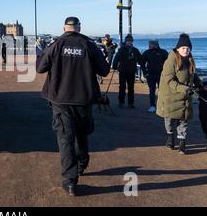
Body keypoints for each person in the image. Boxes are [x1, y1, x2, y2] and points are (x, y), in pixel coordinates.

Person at [37, 17, 110, 196]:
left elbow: (40, 68)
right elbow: (104, 71)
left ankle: (70, 182)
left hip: (60, 100)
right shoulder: (89, 45)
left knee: (65, 139)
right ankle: (82, 163)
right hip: (84, 99)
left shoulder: (55, 45)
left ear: (64, 28)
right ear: (79, 28)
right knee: (81, 133)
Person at [157, 34, 203, 154]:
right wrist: (184, 88)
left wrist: (199, 84)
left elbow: (193, 74)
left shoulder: (190, 60)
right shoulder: (171, 60)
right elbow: (169, 80)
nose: (186, 50)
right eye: (183, 48)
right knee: (170, 120)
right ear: (178, 48)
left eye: (188, 48)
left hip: (184, 97)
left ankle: (182, 143)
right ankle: (170, 137)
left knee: (184, 120)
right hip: (170, 96)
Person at [112, 34, 143, 108]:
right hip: (122, 71)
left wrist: (144, 65)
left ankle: (131, 103)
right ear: (125, 42)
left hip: (132, 71)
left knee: (131, 88)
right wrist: (114, 66)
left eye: (130, 41)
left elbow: (140, 59)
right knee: (122, 87)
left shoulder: (135, 50)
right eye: (128, 41)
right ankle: (121, 101)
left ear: (132, 42)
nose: (129, 42)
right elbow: (116, 58)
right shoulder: (121, 50)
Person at [141, 40, 169, 113]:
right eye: (149, 44)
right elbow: (142, 63)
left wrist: (166, 73)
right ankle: (152, 106)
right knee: (152, 91)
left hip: (161, 75)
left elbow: (168, 63)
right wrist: (145, 73)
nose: (149, 45)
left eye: (151, 44)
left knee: (162, 91)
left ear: (156, 45)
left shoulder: (163, 52)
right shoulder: (147, 52)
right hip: (150, 75)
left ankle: (162, 106)